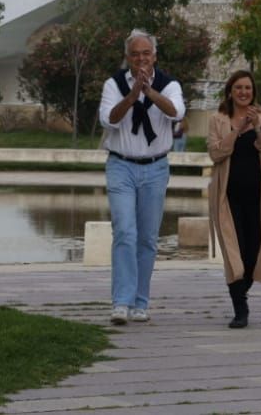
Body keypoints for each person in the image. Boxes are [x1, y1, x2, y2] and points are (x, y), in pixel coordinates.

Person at [99, 29, 185, 325]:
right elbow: (109, 118)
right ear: (127, 57)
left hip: (156, 167)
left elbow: (176, 112)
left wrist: (148, 92)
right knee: (124, 231)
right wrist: (133, 94)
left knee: (147, 238)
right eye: (135, 54)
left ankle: (140, 302)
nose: (140, 59)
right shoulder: (113, 84)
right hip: (121, 165)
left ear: (154, 56)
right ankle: (121, 302)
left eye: (146, 53)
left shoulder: (168, 84)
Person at [206, 69, 261, 328]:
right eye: (239, 88)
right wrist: (237, 129)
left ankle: (242, 290)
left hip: (257, 196)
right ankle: (240, 309)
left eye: (248, 88)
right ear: (230, 91)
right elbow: (216, 153)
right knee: (235, 254)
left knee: (253, 252)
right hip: (227, 197)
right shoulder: (218, 119)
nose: (244, 92)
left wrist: (256, 126)